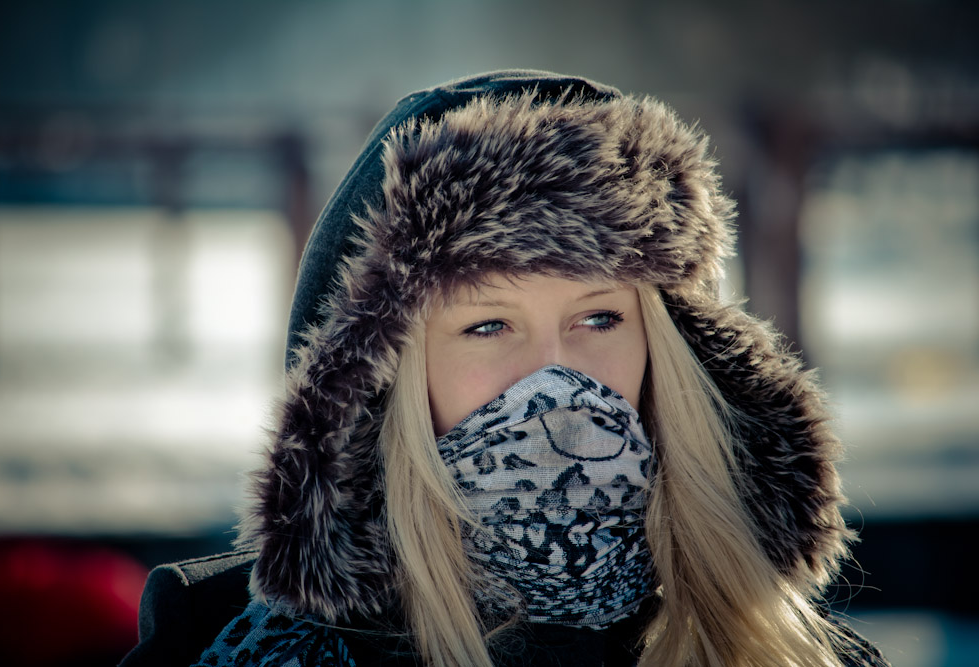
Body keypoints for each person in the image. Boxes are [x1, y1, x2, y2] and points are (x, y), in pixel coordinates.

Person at [122, 70, 889, 667]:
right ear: (382, 385)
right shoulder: (250, 654)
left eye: (599, 318)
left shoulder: (792, 652)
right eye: (487, 325)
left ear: (670, 351)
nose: (555, 377)